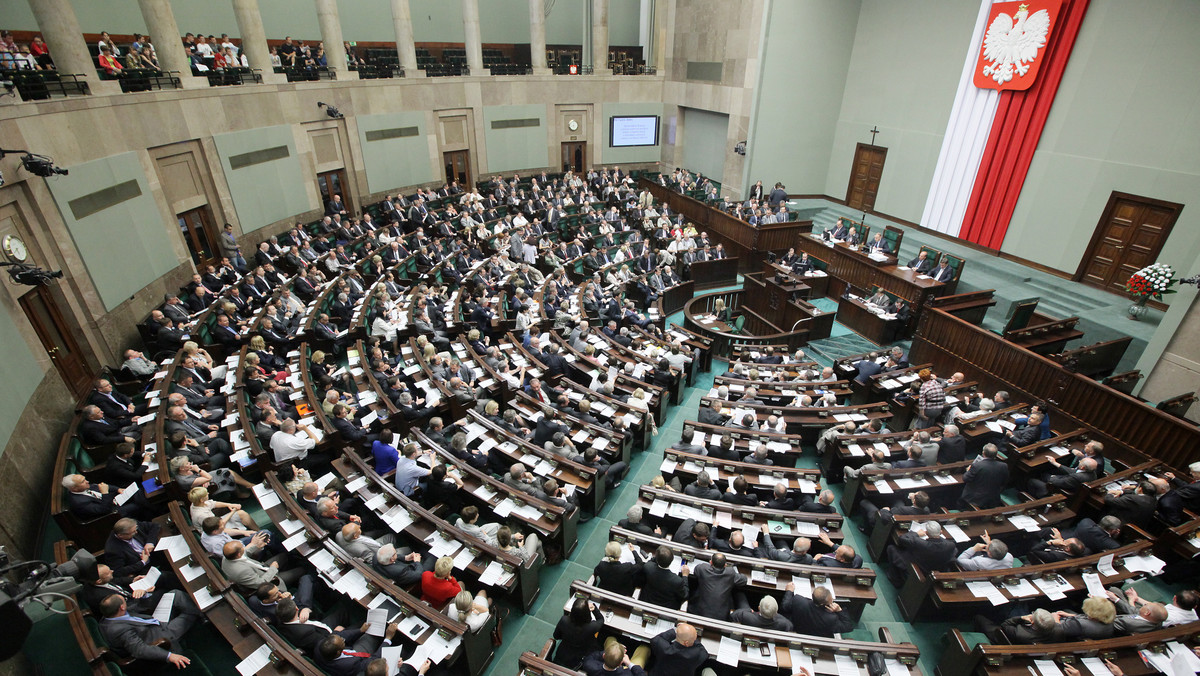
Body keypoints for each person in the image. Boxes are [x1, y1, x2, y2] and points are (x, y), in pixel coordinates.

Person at [97, 593, 199, 669]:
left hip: (152, 621)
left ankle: (199, 612)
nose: (126, 601)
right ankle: (203, 616)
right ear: (122, 607)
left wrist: (145, 595)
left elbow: (136, 606)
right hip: (162, 636)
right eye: (124, 600)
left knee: (174, 594)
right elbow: (139, 650)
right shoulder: (119, 631)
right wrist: (169, 656)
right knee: (189, 613)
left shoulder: (109, 614)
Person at [687, 553, 746, 621]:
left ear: (710, 562)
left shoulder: (703, 568)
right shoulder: (730, 572)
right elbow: (744, 580)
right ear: (725, 565)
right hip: (721, 616)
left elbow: (696, 571)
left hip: (699, 612)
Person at [781, 584, 854, 637]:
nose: (832, 600)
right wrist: (839, 611)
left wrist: (789, 591)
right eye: (831, 600)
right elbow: (848, 627)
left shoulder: (798, 600)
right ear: (823, 604)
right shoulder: (831, 618)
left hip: (798, 630)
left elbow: (785, 606)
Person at [553, 598, 605, 669]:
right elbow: (601, 619)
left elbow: (556, 636)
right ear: (587, 612)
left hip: (561, 654)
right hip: (577, 659)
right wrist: (594, 608)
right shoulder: (593, 626)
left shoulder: (564, 620)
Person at [959, 443, 1009, 508]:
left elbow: (965, 479)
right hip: (993, 498)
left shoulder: (977, 466)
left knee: (959, 501)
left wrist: (968, 470)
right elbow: (1005, 482)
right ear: (996, 454)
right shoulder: (1004, 466)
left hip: (974, 499)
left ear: (983, 453)